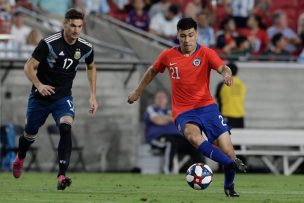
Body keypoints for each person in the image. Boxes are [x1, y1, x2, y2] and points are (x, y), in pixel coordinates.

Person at [128, 17, 246, 197]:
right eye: (183, 36)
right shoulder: (168, 55)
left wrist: (227, 75)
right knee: (192, 136)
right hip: (183, 111)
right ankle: (231, 163)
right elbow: (152, 70)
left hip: (208, 108)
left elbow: (223, 67)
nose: (187, 40)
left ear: (196, 35)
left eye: (191, 35)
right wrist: (138, 91)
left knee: (228, 151)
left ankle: (229, 186)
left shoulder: (206, 53)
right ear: (178, 35)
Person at [12, 8, 98, 190]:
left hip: (63, 97)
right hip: (40, 97)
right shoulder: (49, 43)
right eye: (73, 26)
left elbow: (91, 67)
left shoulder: (85, 47)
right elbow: (29, 67)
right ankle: (20, 158)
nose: (76, 30)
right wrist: (39, 85)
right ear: (65, 24)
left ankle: (61, 175)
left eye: (80, 27)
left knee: (66, 127)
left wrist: (93, 96)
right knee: (29, 134)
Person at [145, 90, 204, 174]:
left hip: (176, 138)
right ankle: (168, 171)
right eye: (159, 97)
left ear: (167, 100)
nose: (161, 99)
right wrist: (171, 118)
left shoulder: (170, 110)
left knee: (194, 143)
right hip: (157, 138)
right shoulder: (151, 109)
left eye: (163, 97)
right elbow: (157, 120)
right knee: (170, 142)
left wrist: (167, 118)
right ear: (155, 99)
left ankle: (203, 171)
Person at [215, 62, 247, 128]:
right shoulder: (242, 84)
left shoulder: (222, 84)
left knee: (227, 137)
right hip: (240, 115)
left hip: (226, 115)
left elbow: (217, 99)